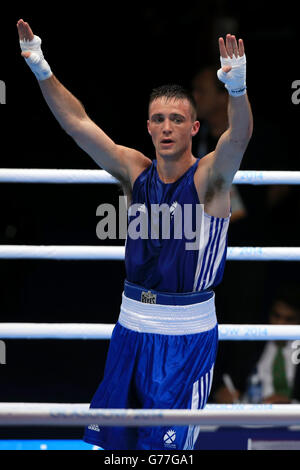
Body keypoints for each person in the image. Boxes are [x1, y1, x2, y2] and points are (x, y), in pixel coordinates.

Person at [17, 19, 253, 450]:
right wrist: (43, 71)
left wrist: (236, 91)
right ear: (147, 127)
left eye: (177, 119)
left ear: (194, 129)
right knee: (116, 452)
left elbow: (237, 139)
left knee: (166, 456)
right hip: (130, 326)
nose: (167, 127)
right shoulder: (134, 171)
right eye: (159, 119)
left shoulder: (209, 180)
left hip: (185, 337)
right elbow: (78, 124)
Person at [213, 284, 300, 405]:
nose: (280, 323)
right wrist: (222, 392)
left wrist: (290, 403)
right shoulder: (250, 344)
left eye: (289, 319)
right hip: (251, 418)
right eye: (276, 316)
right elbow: (227, 382)